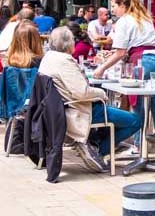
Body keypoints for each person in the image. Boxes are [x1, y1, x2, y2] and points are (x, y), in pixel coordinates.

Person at [40, 26, 142, 172]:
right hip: (79, 110)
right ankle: (98, 149)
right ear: (68, 43)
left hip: (60, 109)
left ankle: (92, 142)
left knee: (116, 114)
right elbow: (82, 92)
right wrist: (101, 93)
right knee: (135, 120)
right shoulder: (64, 61)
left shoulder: (48, 58)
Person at [93, 0, 155, 138]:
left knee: (138, 107)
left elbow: (120, 53)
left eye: (114, 6)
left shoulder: (124, 21)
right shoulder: (144, 18)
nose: (112, 10)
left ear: (123, 6)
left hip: (142, 62)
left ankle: (139, 145)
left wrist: (101, 68)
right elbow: (135, 46)